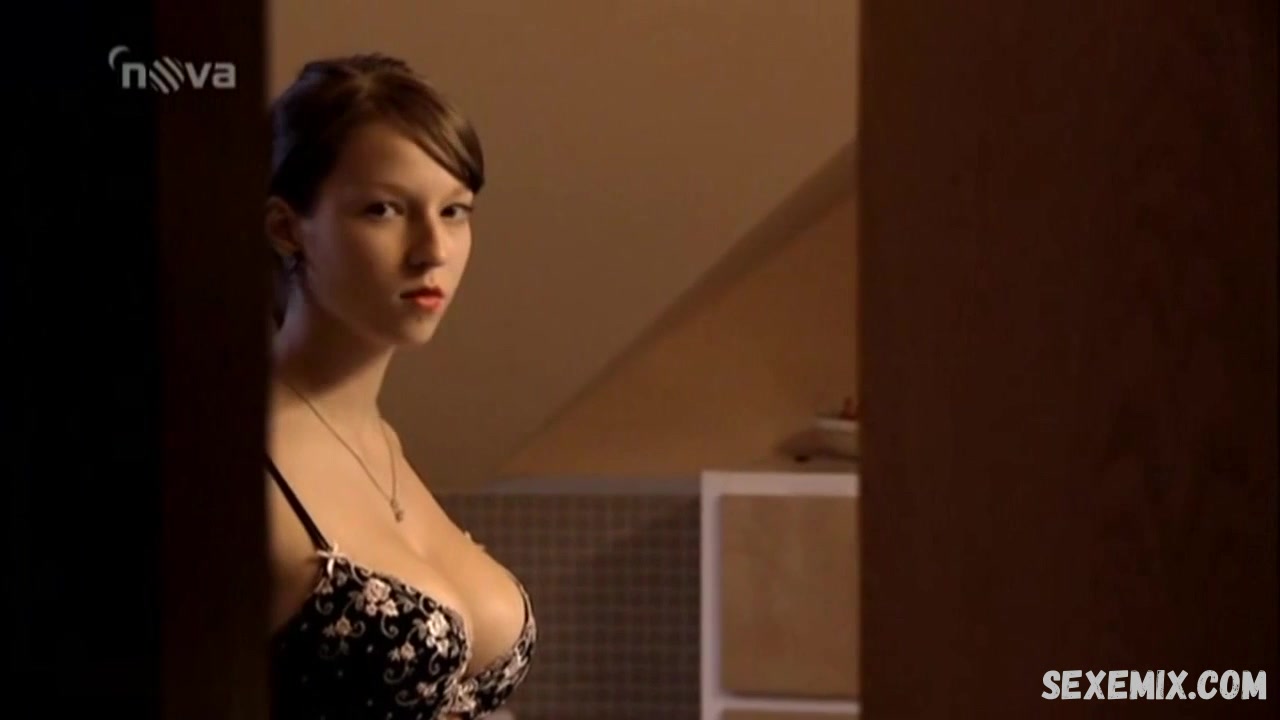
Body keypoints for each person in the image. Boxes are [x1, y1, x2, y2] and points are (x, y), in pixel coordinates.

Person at [262, 53, 535, 719]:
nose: (433, 249)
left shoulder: (380, 441)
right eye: (384, 209)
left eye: (455, 211)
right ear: (286, 227)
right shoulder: (223, 455)